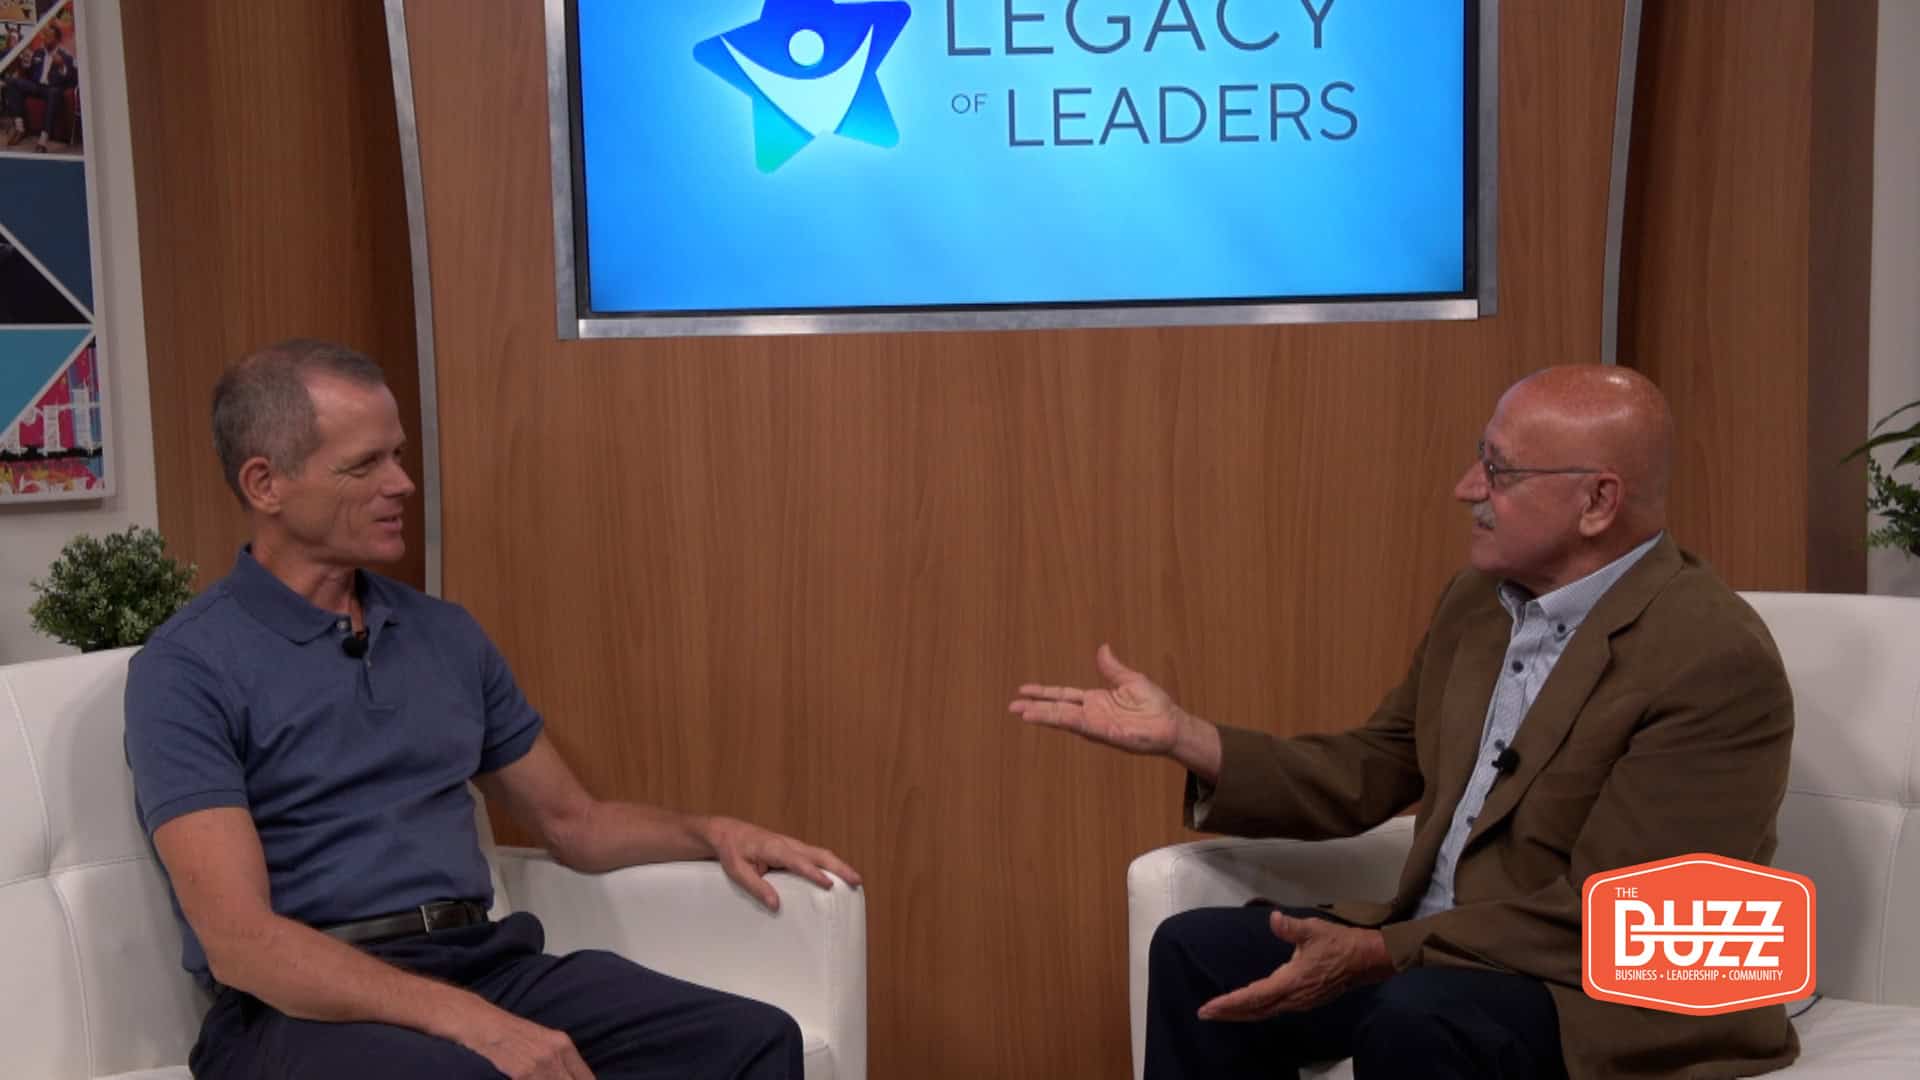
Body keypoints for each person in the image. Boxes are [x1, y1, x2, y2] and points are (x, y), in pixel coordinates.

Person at [1010, 365, 1798, 1079]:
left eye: (1499, 471)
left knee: (1417, 1017)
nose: (1466, 488)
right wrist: (1187, 738)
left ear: (1598, 501)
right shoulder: (1478, 601)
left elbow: (1632, 917)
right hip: (1443, 949)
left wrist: (1384, 951)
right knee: (1197, 952)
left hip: (1600, 991)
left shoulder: (1710, 657)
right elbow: (1375, 766)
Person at [126, 339, 862, 1080]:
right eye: (365, 465)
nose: (402, 483)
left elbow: (574, 823)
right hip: (297, 1012)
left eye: (398, 455)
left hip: (480, 961)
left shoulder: (444, 634)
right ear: (265, 484)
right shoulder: (187, 667)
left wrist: (711, 832)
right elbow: (241, 940)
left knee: (751, 1039)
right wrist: (473, 1024)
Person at [3, 23, 76, 152]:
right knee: (12, 82)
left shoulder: (65, 57)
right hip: (37, 86)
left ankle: (43, 140)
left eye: (49, 37)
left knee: (53, 92)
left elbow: (70, 80)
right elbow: (30, 72)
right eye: (45, 36)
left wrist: (61, 66)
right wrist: (25, 63)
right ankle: (20, 128)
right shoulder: (39, 52)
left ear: (57, 40)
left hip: (53, 89)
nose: (45, 39)